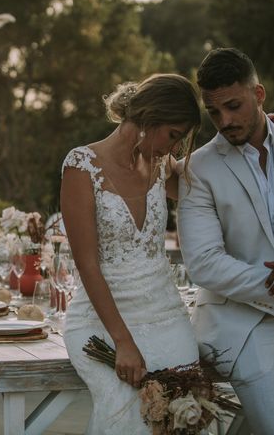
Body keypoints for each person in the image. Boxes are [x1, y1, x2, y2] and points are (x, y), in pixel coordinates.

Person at [178, 47, 274, 435]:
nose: (225, 122)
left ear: (258, 95)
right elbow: (205, 263)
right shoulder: (199, 168)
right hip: (243, 325)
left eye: (234, 106)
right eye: (214, 113)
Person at [60, 73, 202, 434]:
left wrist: (270, 129)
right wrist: (123, 342)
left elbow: (221, 172)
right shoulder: (82, 167)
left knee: (187, 414)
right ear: (150, 117)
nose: (173, 148)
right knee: (128, 414)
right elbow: (87, 265)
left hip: (167, 317)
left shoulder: (162, 166)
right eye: (172, 135)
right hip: (102, 325)